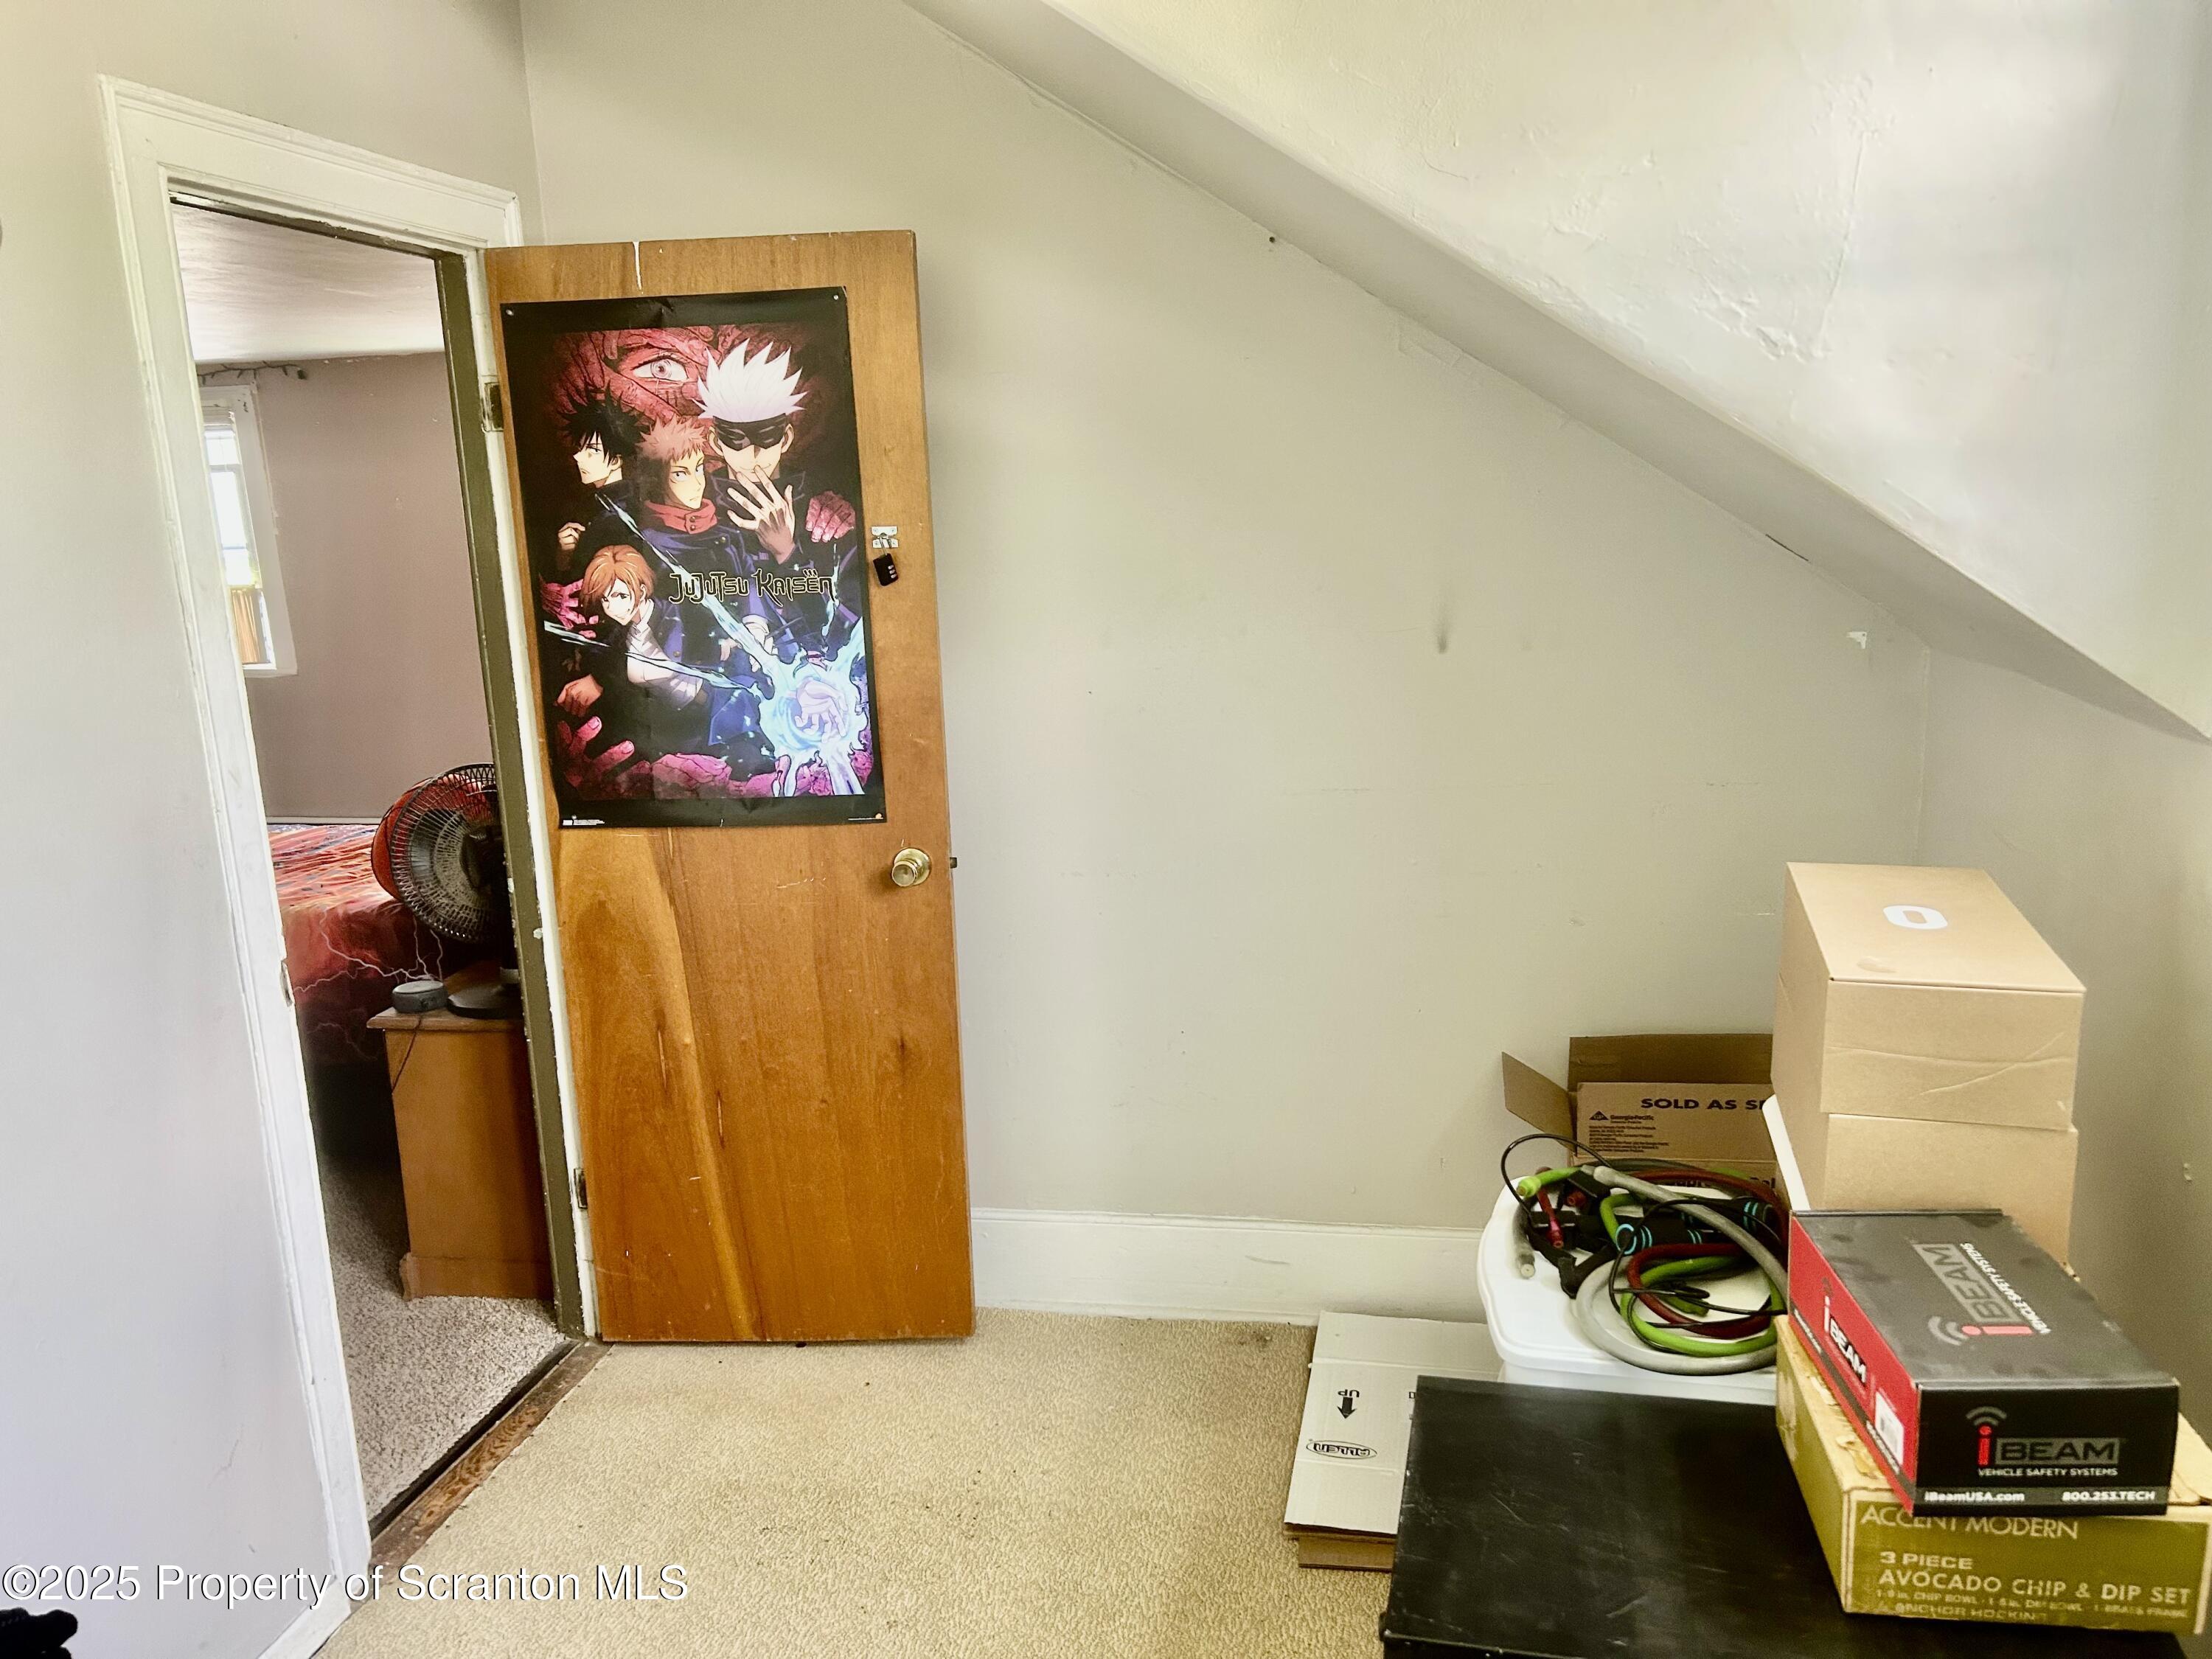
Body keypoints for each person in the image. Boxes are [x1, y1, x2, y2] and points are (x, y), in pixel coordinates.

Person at [696, 341, 861, 661]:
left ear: (784, 438)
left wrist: (788, 553)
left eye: (766, 437)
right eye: (737, 439)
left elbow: (837, 632)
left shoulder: (824, 514)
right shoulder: (693, 507)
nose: (752, 454)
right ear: (717, 441)